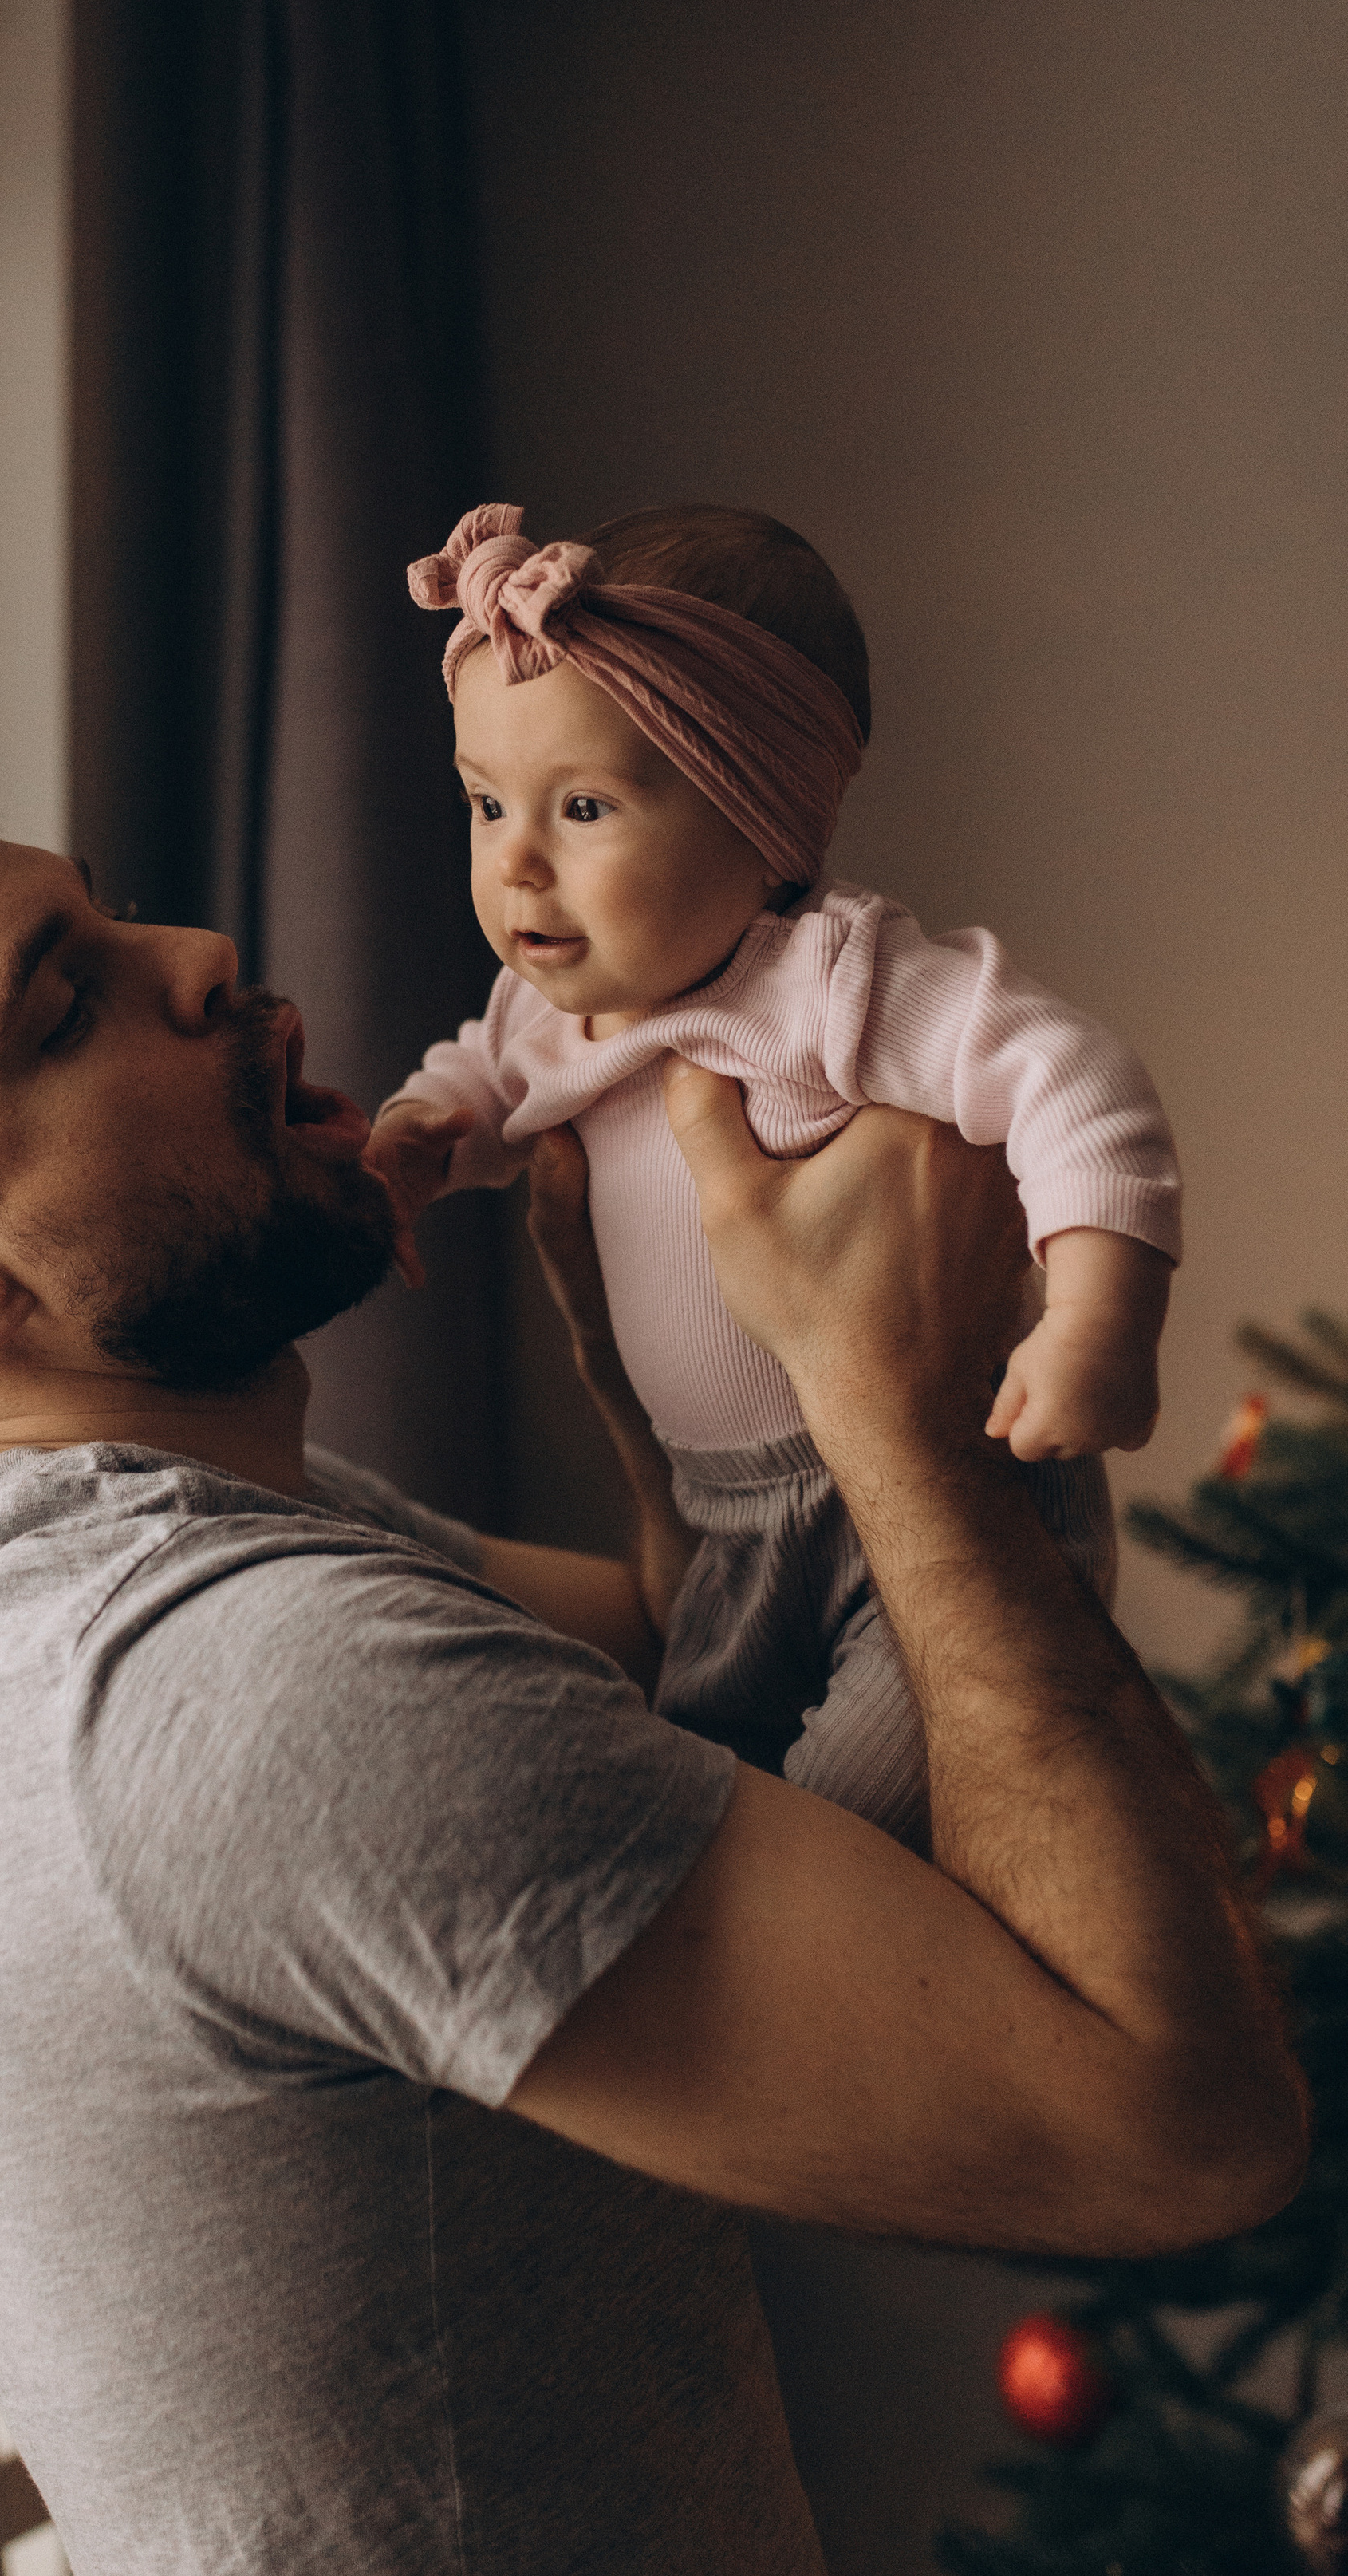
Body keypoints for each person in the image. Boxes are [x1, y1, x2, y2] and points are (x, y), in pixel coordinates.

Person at [0, 745, 1301, 2576]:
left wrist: (664, 1360)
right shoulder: (237, 1690)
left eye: (109, 909)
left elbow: (672, 1677)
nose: (196, 953)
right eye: (62, 1001)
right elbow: (1175, 2132)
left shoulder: (89, 1567)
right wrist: (885, 1414)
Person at [369, 501, 1180, 1845]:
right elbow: (476, 1086)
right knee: (720, 1805)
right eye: (483, 801)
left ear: (762, 819)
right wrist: (412, 1144)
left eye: (583, 808)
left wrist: (1101, 1315)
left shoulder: (831, 984)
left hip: (932, 1498)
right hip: (725, 1527)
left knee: (859, 1809)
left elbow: (1071, 1079)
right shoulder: (548, 1014)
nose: (514, 860)